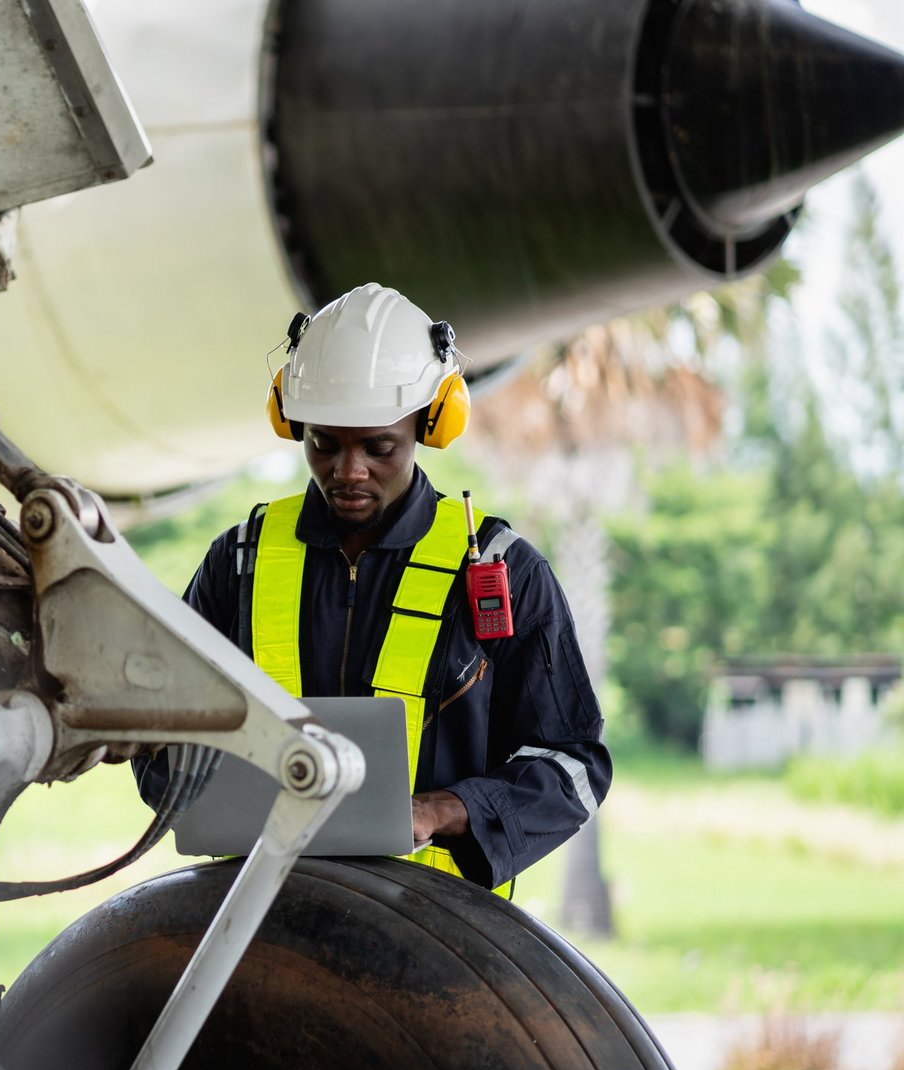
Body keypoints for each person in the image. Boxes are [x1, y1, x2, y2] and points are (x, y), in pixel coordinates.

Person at [139, 283, 610, 893]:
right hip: (257, 912)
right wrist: (192, 785)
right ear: (293, 423)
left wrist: (444, 809)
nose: (349, 471)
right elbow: (160, 731)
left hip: (437, 930)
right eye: (324, 445)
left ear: (431, 422)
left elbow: (573, 765)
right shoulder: (240, 560)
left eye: (378, 447)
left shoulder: (501, 571)